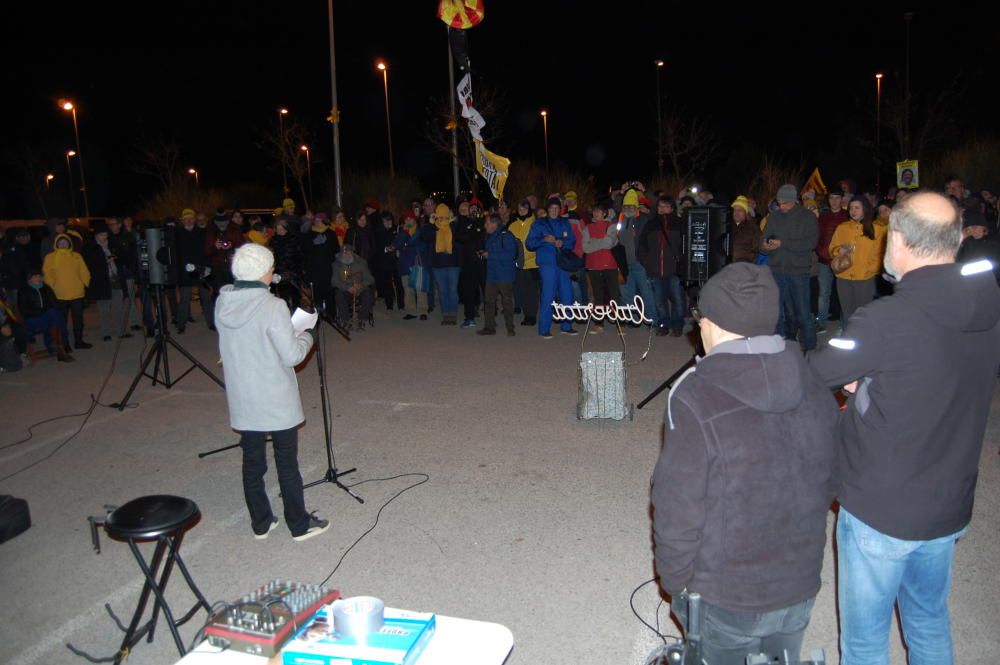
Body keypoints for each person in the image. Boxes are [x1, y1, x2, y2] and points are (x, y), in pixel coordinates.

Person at [808, 191, 1000, 665]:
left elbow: (813, 373)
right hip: (947, 502)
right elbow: (936, 370)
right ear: (954, 240)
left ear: (899, 240)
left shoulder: (886, 318)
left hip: (882, 506)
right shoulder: (987, 302)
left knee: (866, 641)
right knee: (929, 622)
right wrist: (876, 377)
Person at [652, 262, 838, 665]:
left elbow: (677, 505)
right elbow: (832, 477)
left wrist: (675, 581)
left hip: (726, 594)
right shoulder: (814, 384)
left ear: (713, 324)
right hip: (799, 585)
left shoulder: (694, 397)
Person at [215, 244, 328, 542]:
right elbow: (291, 356)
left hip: (244, 396)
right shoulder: (272, 306)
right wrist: (306, 336)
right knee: (286, 462)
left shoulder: (222, 303)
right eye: (270, 268)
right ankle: (299, 524)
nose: (273, 273)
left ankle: (261, 522)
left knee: (252, 461)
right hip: (274, 397)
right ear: (263, 272)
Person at [760, 184, 819, 351]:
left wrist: (783, 244)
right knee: (778, 313)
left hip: (798, 272)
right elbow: (762, 241)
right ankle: (779, 345)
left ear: (793, 201)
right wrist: (765, 246)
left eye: (784, 203)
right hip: (777, 270)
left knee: (803, 313)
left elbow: (810, 243)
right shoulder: (774, 217)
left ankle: (809, 348)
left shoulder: (807, 217)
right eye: (779, 203)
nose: (781, 206)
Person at [526, 196, 578, 338]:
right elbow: (529, 244)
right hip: (547, 264)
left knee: (567, 294)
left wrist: (563, 243)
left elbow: (572, 241)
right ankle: (544, 329)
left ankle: (566, 326)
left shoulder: (564, 223)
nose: (554, 210)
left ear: (560, 210)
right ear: (547, 210)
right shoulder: (539, 224)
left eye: (556, 208)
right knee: (547, 295)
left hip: (563, 264)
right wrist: (543, 240)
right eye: (551, 208)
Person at [829, 196, 887, 323]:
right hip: (843, 277)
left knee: (863, 315)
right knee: (847, 314)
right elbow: (832, 249)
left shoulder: (878, 229)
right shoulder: (843, 227)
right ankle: (850, 340)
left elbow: (881, 254)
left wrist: (868, 270)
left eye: (857, 208)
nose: (853, 211)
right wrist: (839, 251)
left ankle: (865, 341)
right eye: (851, 208)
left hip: (864, 279)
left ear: (865, 209)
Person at [43, 233, 92, 350]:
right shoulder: (50, 257)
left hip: (77, 292)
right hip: (60, 294)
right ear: (56, 244)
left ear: (69, 243)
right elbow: (47, 274)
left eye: (65, 242)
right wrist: (53, 285)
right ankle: (64, 344)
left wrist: (85, 283)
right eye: (60, 242)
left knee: (78, 319)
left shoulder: (76, 256)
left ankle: (79, 341)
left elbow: (84, 271)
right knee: (62, 320)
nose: (63, 244)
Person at [477, 213, 517, 336]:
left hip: (504, 275)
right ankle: (489, 327)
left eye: (487, 223)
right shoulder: (489, 236)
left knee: (507, 303)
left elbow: (511, 255)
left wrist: (490, 255)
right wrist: (483, 254)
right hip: (491, 274)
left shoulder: (507, 236)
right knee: (488, 302)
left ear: (494, 224)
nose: (485, 225)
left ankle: (510, 328)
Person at [331, 244, 375, 331]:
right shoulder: (336, 264)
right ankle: (345, 319)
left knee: (368, 294)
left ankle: (361, 319)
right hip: (345, 290)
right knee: (338, 295)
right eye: (344, 252)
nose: (346, 254)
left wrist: (360, 285)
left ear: (352, 252)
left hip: (360, 289)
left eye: (348, 252)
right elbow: (334, 281)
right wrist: (347, 288)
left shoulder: (362, 262)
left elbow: (370, 279)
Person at [729, 195, 761, 263]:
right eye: (735, 210)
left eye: (740, 210)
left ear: (746, 212)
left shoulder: (753, 228)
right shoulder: (728, 226)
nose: (736, 213)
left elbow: (757, 248)